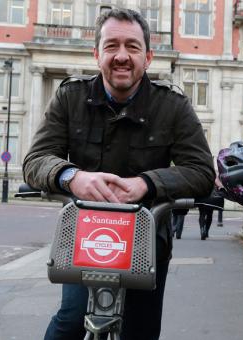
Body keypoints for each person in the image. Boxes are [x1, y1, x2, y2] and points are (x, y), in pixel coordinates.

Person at [22, 8, 215, 340]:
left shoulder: (173, 106)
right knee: (71, 320)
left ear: (148, 57)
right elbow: (35, 160)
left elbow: (201, 171)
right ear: (97, 54)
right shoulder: (70, 97)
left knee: (140, 330)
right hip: (85, 235)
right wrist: (71, 177)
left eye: (132, 46)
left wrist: (146, 183)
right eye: (111, 46)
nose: (122, 56)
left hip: (148, 236)